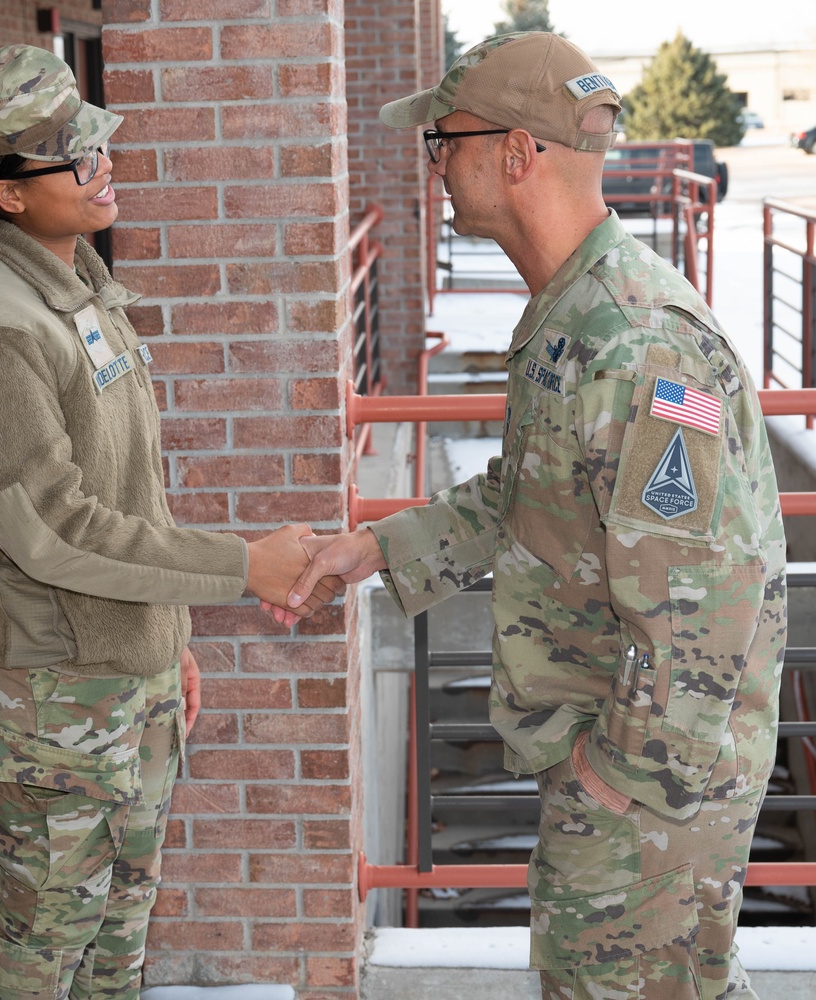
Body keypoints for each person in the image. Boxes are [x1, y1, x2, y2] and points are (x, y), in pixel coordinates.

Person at [286, 31, 787, 1000]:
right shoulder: (573, 313)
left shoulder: (641, 342)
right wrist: (374, 548)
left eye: (445, 141)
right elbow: (531, 492)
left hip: (648, 791)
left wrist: (608, 783)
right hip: (623, 770)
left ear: (516, 153)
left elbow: (705, 609)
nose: (432, 164)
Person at [0, 44, 340, 1000]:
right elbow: (54, 530)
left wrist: (169, 639)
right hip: (53, 690)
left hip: (122, 668)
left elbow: (130, 493)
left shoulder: (77, 291)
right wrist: (242, 566)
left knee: (120, 929)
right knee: (48, 939)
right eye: (79, 161)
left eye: (102, 149)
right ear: (9, 196)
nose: (105, 171)